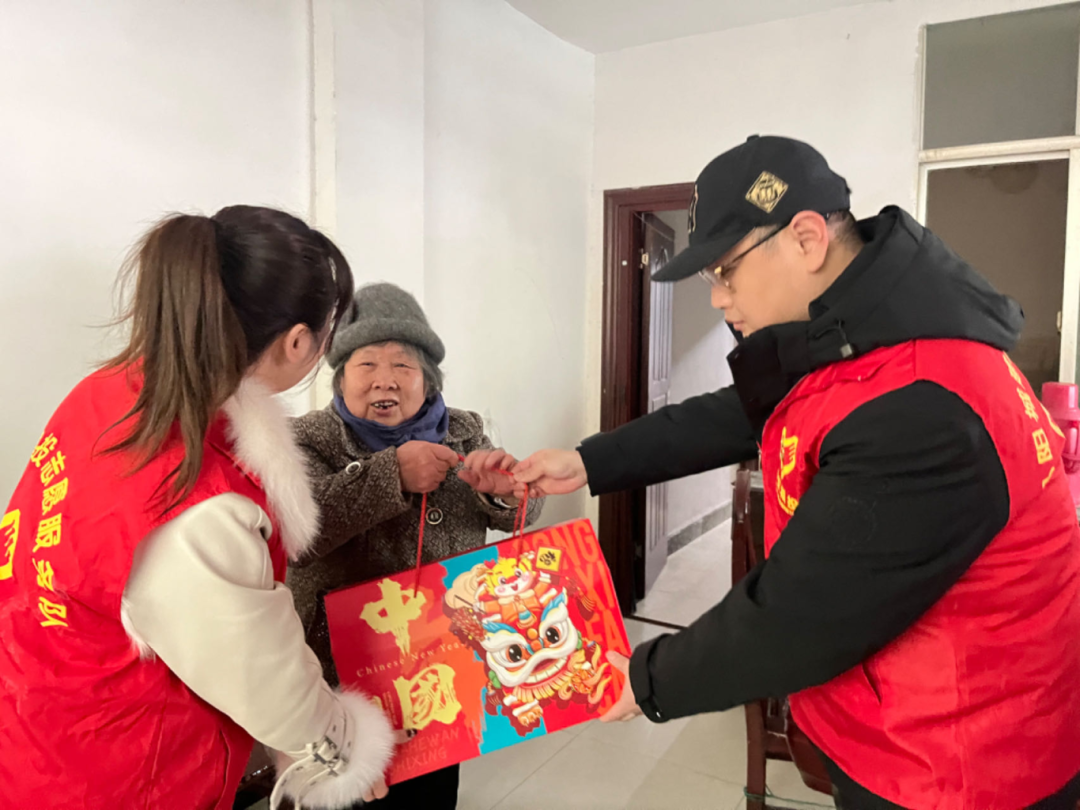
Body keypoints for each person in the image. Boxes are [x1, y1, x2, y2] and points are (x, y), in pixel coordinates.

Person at [513, 136, 1080, 809]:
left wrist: (649, 679)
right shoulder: (859, 335)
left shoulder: (925, 400)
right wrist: (587, 462)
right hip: (903, 725)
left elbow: (804, 613)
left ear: (807, 238)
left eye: (725, 272)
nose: (718, 299)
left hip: (960, 763)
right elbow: (738, 413)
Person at [0, 207, 402, 809]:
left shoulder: (109, 393)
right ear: (298, 342)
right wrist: (343, 752)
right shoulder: (200, 501)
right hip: (118, 772)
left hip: (41, 713)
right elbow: (266, 680)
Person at [288, 282, 544, 810]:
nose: (385, 379)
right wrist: (391, 475)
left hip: (443, 665)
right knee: (343, 795)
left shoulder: (464, 432)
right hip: (340, 676)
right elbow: (300, 535)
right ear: (341, 377)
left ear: (428, 380)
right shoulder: (307, 439)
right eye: (366, 364)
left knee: (430, 790)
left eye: (403, 365)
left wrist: (507, 492)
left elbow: (522, 513)